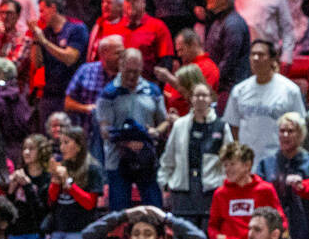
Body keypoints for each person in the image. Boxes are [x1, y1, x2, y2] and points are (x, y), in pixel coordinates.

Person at [96, 47, 166, 210]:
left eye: (136, 71)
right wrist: (125, 142)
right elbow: (104, 130)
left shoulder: (153, 91)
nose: (132, 76)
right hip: (118, 160)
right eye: (128, 71)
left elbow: (163, 122)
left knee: (154, 208)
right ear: (120, 66)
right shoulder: (109, 93)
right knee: (119, 212)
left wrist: (155, 132)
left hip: (146, 158)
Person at [158, 82, 230, 226]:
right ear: (191, 98)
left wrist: (224, 184)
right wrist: (164, 182)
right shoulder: (179, 125)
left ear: (211, 99)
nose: (200, 99)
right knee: (184, 235)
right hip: (183, 188)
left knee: (209, 236)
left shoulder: (221, 126)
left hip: (211, 189)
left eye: (204, 95)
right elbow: (169, 157)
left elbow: (229, 160)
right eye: (197, 95)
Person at [223, 39, 305, 162]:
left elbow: (300, 126)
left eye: (261, 55)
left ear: (272, 59)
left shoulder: (290, 90)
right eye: (253, 54)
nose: (256, 58)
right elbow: (234, 126)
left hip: (277, 161)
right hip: (248, 161)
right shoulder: (239, 91)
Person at [255, 111, 309, 239]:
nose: (285, 135)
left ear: (301, 135)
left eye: (290, 131)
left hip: (302, 237)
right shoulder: (266, 164)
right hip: (272, 236)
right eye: (282, 131)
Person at [206, 142, 283, 239]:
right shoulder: (220, 193)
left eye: (232, 164)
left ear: (247, 165)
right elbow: (212, 226)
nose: (228, 169)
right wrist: (218, 238)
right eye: (225, 165)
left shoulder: (265, 190)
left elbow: (280, 221)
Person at [65, 35, 124, 164]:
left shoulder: (126, 76)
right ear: (104, 53)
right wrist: (86, 108)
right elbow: (68, 103)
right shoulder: (86, 71)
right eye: (118, 53)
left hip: (117, 136)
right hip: (88, 133)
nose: (122, 56)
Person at [201, 0, 251, 104]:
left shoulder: (233, 24)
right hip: (219, 88)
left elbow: (228, 62)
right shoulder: (218, 20)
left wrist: (209, 84)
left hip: (230, 91)